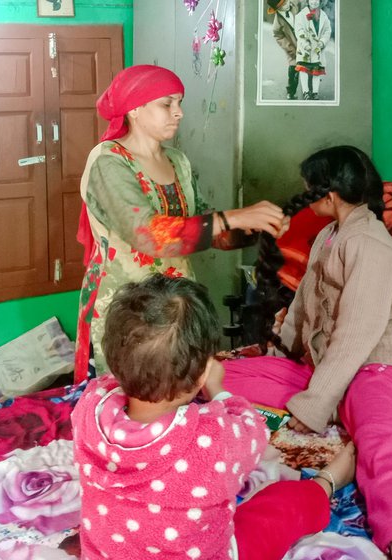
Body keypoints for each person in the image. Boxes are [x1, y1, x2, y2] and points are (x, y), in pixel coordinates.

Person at [222, 146, 392, 560]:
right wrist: (284, 349)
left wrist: (313, 405)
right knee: (226, 374)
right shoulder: (330, 235)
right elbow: (305, 304)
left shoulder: (371, 245)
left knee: (382, 445)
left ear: (330, 193)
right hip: (328, 366)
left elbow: (358, 334)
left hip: (375, 365)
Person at [72, 273, 356, 560]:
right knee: (276, 508)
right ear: (200, 375)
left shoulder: (89, 406)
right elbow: (255, 432)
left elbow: (114, 380)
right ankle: (327, 482)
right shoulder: (213, 436)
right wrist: (217, 389)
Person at [75, 64, 287, 383]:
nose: (179, 113)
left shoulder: (178, 162)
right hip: (126, 306)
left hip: (177, 304)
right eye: (167, 104)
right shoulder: (109, 162)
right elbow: (146, 234)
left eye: (180, 103)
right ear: (134, 109)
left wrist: (256, 229)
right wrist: (233, 217)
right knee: (129, 397)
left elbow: (203, 229)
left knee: (176, 390)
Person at [294, 0, 331, 100]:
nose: (314, 2)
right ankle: (306, 91)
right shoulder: (301, 15)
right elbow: (299, 30)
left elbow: (327, 31)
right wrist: (305, 43)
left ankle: (315, 92)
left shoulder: (323, 16)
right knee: (304, 70)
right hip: (305, 48)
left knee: (316, 71)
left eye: (317, 0)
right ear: (307, 1)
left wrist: (322, 42)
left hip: (317, 48)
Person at [267, 0, 302, 100]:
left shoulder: (295, 4)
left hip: (304, 40)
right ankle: (291, 92)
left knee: (311, 64)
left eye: (286, 1)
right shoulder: (277, 22)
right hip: (292, 46)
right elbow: (278, 36)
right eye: (283, 5)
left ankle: (311, 91)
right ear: (277, 9)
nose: (287, 4)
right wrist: (291, 49)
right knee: (294, 67)